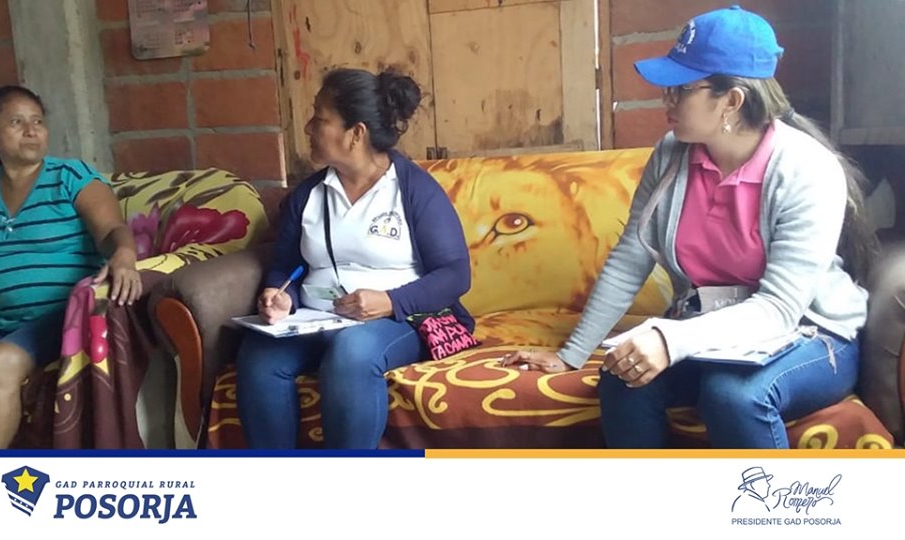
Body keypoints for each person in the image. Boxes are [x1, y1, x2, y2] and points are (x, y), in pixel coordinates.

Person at [502, 6, 878, 449]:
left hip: (808, 333)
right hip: (713, 327)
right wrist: (571, 355)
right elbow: (630, 259)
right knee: (623, 377)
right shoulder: (672, 154)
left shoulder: (806, 168)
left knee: (732, 395)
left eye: (681, 90)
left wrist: (670, 338)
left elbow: (778, 309)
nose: (666, 101)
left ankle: (764, 500)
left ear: (732, 101)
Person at [235, 68, 472, 449]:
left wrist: (391, 301)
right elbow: (285, 265)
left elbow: (455, 274)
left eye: (320, 119)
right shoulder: (308, 195)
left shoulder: (414, 190)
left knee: (352, 353)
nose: (308, 127)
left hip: (396, 319)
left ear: (356, 133)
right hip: (315, 320)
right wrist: (281, 295)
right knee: (258, 357)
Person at [0, 85, 142, 448]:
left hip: (57, 315)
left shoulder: (69, 176)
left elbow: (111, 230)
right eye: (16, 122)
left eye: (37, 121)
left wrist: (124, 255)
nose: (31, 130)